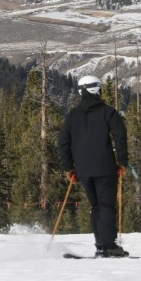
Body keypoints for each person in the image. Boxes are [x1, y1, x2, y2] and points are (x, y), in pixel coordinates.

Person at [58, 74, 130, 258]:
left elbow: (63, 142)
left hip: (83, 170)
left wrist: (69, 167)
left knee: (96, 207)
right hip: (105, 167)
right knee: (106, 205)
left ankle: (101, 244)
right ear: (96, 89)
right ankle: (108, 246)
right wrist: (122, 162)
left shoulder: (72, 115)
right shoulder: (108, 112)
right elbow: (120, 136)